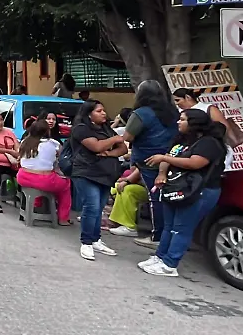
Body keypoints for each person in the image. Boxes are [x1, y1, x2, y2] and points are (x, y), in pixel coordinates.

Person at [138, 108, 228, 277]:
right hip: (177, 188)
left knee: (182, 228)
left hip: (199, 191)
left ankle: (170, 264)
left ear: (194, 124)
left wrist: (164, 159)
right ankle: (160, 257)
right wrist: (162, 173)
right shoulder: (182, 140)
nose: (178, 122)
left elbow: (195, 163)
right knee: (169, 226)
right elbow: (168, 155)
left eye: (183, 119)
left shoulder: (209, 143)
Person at [122, 80, 178, 247]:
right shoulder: (172, 112)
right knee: (168, 198)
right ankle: (169, 233)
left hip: (148, 160)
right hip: (171, 158)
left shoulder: (141, 113)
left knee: (156, 199)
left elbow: (128, 137)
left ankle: (158, 236)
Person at [70, 99, 129, 261]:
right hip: (86, 172)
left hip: (106, 174)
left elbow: (123, 148)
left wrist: (110, 152)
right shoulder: (81, 129)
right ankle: (86, 242)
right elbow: (96, 147)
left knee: (99, 208)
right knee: (92, 206)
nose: (103, 113)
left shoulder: (106, 129)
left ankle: (96, 239)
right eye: (99, 111)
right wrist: (114, 140)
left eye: (103, 110)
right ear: (89, 114)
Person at [15, 118, 73, 226]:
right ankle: (63, 218)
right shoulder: (53, 143)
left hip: (23, 176)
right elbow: (60, 158)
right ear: (47, 131)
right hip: (43, 179)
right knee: (66, 184)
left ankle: (36, 204)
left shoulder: (25, 142)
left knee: (39, 184)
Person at [105, 165, 149, 237]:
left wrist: (127, 180)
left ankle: (130, 226)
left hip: (150, 187)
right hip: (139, 181)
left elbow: (141, 168)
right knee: (115, 187)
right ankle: (115, 220)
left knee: (127, 190)